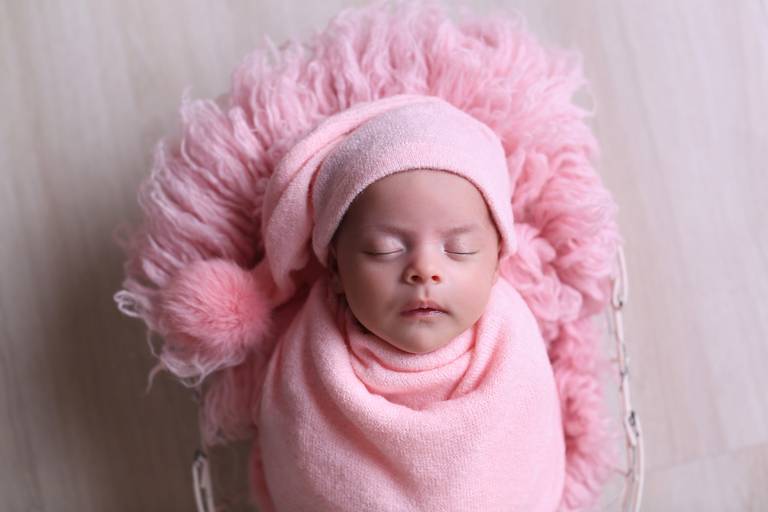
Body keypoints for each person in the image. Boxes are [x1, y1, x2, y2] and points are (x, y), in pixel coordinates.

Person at [249, 94, 566, 511]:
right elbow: (304, 461)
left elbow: (527, 450)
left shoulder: (512, 349)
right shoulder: (309, 366)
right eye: (384, 249)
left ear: (495, 265)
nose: (424, 270)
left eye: (459, 248)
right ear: (337, 269)